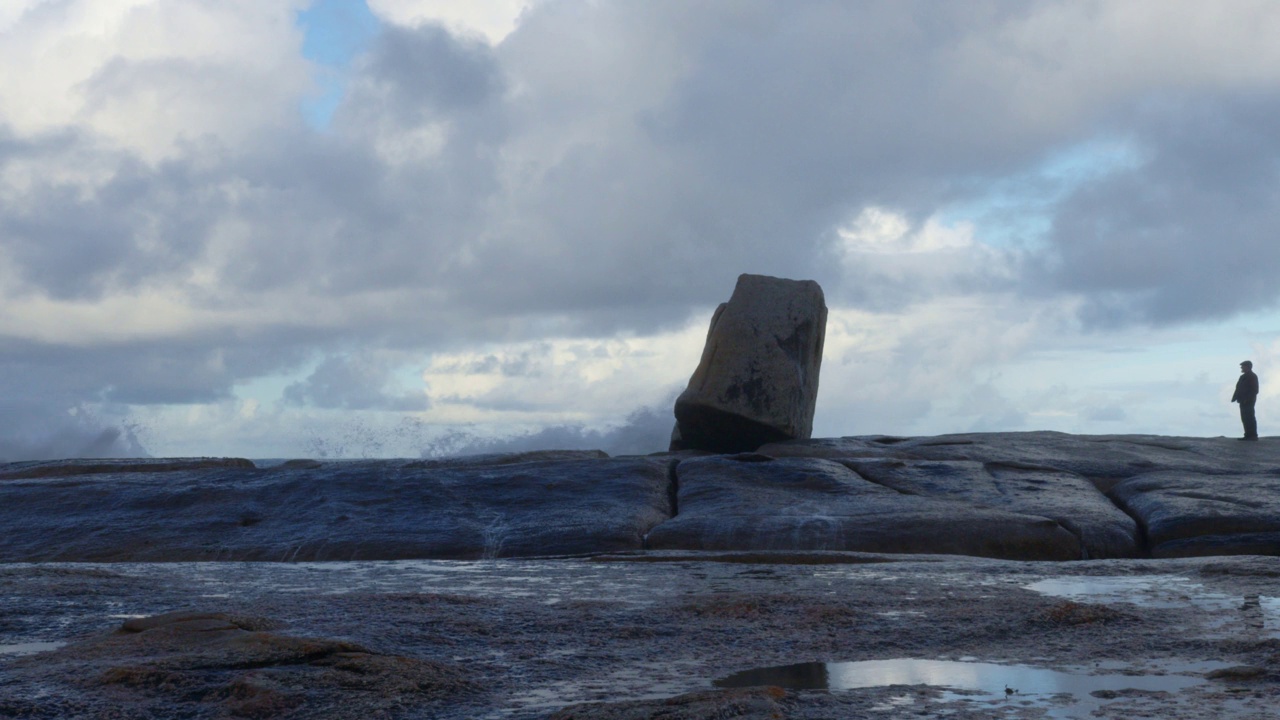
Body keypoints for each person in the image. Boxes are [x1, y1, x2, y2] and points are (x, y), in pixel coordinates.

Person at [1231, 360, 1259, 440]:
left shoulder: (1252, 376)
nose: (1241, 368)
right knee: (1244, 418)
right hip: (1242, 400)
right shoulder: (1243, 376)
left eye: (1243, 366)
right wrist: (1235, 397)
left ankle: (1253, 435)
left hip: (1248, 400)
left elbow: (1255, 390)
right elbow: (1238, 388)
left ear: (1248, 367)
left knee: (1249, 417)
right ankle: (1247, 435)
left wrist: (1247, 399)